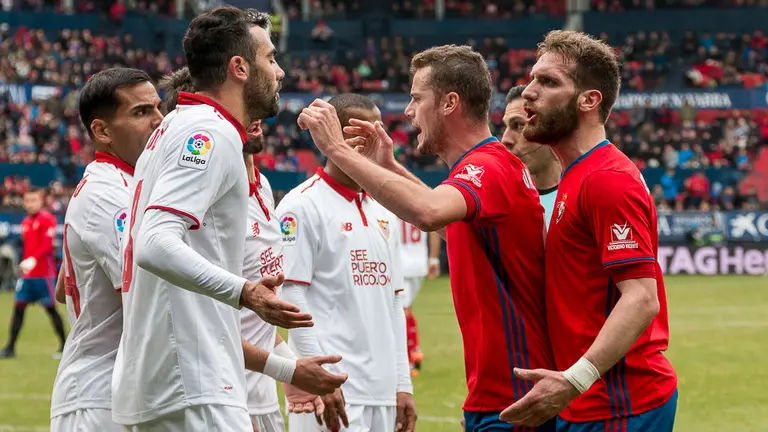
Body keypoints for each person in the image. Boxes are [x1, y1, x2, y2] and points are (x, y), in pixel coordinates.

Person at [297, 46, 555, 431]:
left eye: (417, 98)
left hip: (515, 395)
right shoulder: (488, 167)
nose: (408, 111)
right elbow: (447, 225)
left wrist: (335, 149)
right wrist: (388, 166)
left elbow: (428, 212)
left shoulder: (489, 166)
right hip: (504, 392)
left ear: (449, 103)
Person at [112, 8, 317, 431]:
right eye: (270, 58)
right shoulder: (209, 133)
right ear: (239, 68)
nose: (279, 71)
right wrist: (246, 292)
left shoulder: (176, 126)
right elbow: (154, 242)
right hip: (192, 382)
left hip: (175, 380)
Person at [499, 30, 678, 431]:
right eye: (532, 79)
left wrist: (574, 380)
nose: (529, 92)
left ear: (589, 100)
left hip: (619, 404)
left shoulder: (607, 179)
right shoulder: (578, 175)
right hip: (588, 402)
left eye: (548, 82)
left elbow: (641, 299)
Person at [160, 66, 341, 432]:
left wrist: (293, 373)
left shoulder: (262, 187)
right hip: (222, 401)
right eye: (240, 104)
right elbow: (203, 325)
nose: (253, 114)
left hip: (261, 399)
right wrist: (288, 370)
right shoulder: (204, 209)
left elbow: (252, 318)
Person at [278, 93, 416, 432]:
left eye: (379, 131)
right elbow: (291, 296)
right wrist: (321, 377)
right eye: (362, 132)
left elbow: (394, 303)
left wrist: (402, 384)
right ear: (333, 136)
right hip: (331, 392)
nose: (374, 141)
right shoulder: (301, 206)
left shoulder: (385, 209)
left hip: (382, 393)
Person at [49, 68, 164, 432]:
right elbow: (156, 299)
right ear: (102, 131)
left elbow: (63, 289)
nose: (159, 120)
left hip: (125, 390)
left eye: (158, 107)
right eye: (141, 112)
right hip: (99, 397)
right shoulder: (110, 195)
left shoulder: (128, 185)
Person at [0, 187, 66, 359]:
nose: (30, 204)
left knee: (51, 310)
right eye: (27, 200)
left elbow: (47, 245)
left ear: (41, 201)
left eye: (34, 200)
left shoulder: (48, 219)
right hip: (28, 276)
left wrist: (33, 259)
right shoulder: (25, 222)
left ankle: (65, 345)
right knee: (18, 309)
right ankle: (10, 347)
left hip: (44, 275)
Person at [501, 84, 561, 226]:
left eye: (519, 125)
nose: (505, 139)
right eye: (506, 127)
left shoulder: (584, 198)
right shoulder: (497, 205)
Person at [396, 217, 441, 375]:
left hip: (400, 263)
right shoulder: (421, 201)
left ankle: (408, 358)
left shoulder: (390, 204)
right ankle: (414, 350)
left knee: (400, 311)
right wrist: (433, 259)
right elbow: (435, 227)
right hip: (418, 264)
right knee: (406, 307)